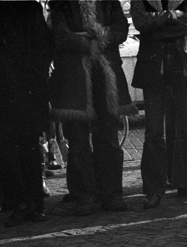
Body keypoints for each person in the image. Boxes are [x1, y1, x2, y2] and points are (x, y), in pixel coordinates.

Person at [49, 0, 138, 216]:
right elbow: (59, 33)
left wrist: (100, 35)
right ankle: (84, 196)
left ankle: (111, 194)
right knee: (78, 140)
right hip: (73, 76)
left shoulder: (109, 2)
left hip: (104, 73)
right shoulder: (60, 2)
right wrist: (87, 43)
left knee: (108, 137)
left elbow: (121, 29)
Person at [131, 0, 187, 209]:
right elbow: (139, 22)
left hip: (183, 63)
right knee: (153, 132)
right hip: (154, 63)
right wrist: (172, 16)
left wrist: (158, 29)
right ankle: (153, 191)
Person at [0, 1, 54, 227]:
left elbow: (44, 46)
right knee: (9, 147)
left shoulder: (27, 8)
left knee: (26, 147)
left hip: (22, 89)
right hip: (2, 89)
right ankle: (22, 203)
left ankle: (30, 204)